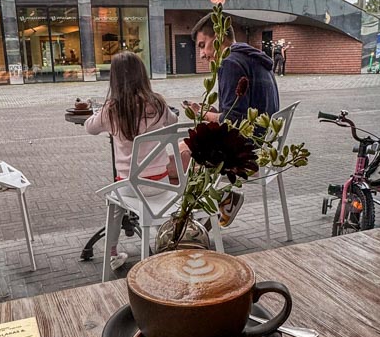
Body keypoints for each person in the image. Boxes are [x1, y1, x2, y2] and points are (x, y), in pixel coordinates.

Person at [85, 52, 176, 271]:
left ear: (114, 79)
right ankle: (165, 241)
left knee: (114, 202)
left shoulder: (112, 109)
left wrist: (98, 110)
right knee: (125, 194)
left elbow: (90, 127)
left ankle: (112, 252)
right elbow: (173, 121)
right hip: (161, 185)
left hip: (130, 189)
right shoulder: (158, 104)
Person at [192, 15, 279, 226]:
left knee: (182, 156)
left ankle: (208, 213)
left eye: (203, 45)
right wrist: (214, 113)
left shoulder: (230, 62)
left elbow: (232, 120)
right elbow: (241, 111)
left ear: (219, 37)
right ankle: (212, 211)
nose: (202, 55)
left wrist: (202, 114)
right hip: (265, 144)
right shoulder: (255, 59)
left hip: (246, 151)